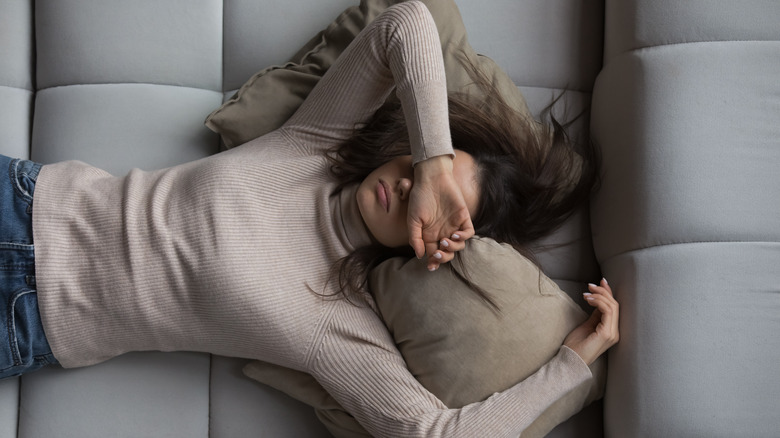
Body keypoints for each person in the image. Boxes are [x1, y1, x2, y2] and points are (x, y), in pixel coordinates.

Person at [0, 1, 619, 436]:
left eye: (431, 208)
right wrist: (435, 163)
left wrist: (567, 366)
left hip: (28, 315)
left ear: (440, 249)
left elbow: (434, 434)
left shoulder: (337, 325)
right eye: (424, 172)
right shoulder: (314, 146)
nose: (409, 187)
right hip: (27, 199)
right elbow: (407, 23)